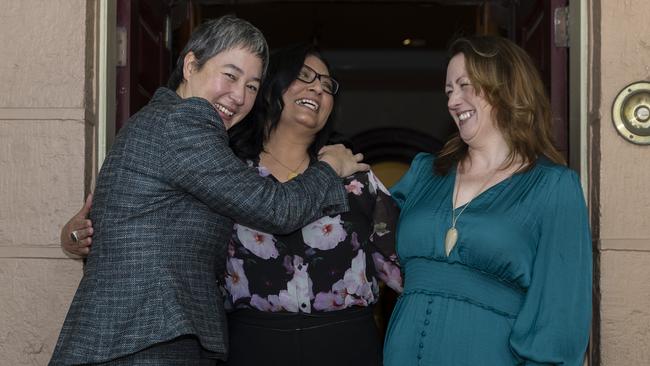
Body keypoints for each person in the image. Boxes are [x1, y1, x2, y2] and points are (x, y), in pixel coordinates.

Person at [50, 16, 367, 366]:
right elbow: (277, 209)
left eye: (251, 86)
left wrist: (77, 235)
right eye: (230, 75)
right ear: (190, 64)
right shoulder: (186, 123)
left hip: (142, 338)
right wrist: (330, 166)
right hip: (145, 338)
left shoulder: (169, 123)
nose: (239, 96)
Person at [382, 35, 592, 365]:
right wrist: (336, 170)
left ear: (504, 87)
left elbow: (560, 311)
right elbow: (360, 233)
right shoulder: (425, 173)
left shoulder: (553, 186)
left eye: (465, 85)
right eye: (449, 90)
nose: (453, 101)